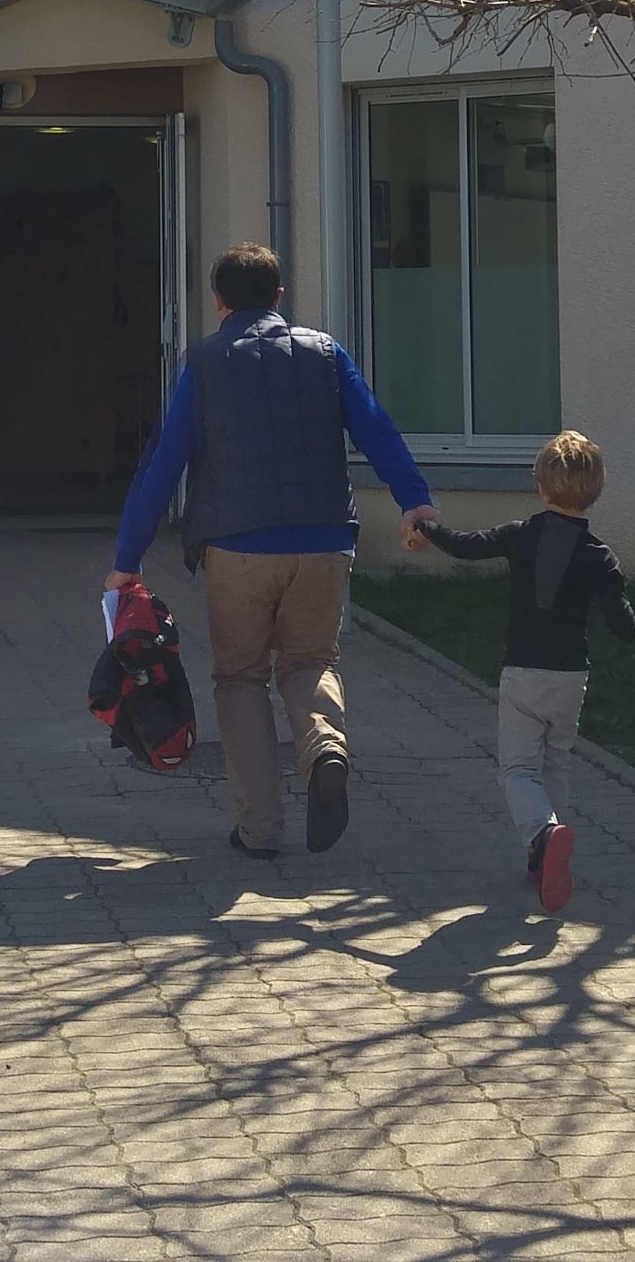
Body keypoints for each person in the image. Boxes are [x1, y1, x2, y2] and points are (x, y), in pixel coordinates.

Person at [110, 242, 433, 859]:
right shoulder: (325, 353)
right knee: (310, 662)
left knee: (240, 679)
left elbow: (162, 466)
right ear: (280, 297)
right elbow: (376, 427)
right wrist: (414, 500)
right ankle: (324, 750)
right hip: (325, 540)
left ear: (219, 300)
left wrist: (128, 559)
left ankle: (258, 830)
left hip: (237, 548)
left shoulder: (204, 364)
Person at [404, 430, 635, 913]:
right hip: (572, 675)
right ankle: (550, 856)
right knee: (557, 762)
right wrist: (623, 614)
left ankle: (544, 835)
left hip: (524, 670)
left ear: (540, 486)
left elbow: (466, 546)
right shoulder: (600, 556)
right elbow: (623, 624)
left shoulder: (521, 534)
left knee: (517, 768)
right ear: (596, 489)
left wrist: (428, 528)